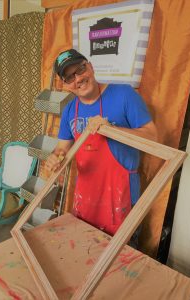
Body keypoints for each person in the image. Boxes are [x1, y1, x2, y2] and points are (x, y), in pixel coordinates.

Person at [45, 48, 157, 239]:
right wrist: (55, 157)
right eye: (69, 77)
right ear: (65, 85)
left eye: (80, 70)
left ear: (90, 66)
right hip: (86, 198)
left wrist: (111, 130)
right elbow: (62, 148)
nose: (78, 79)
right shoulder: (70, 110)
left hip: (121, 196)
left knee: (121, 259)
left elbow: (153, 138)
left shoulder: (124, 94)